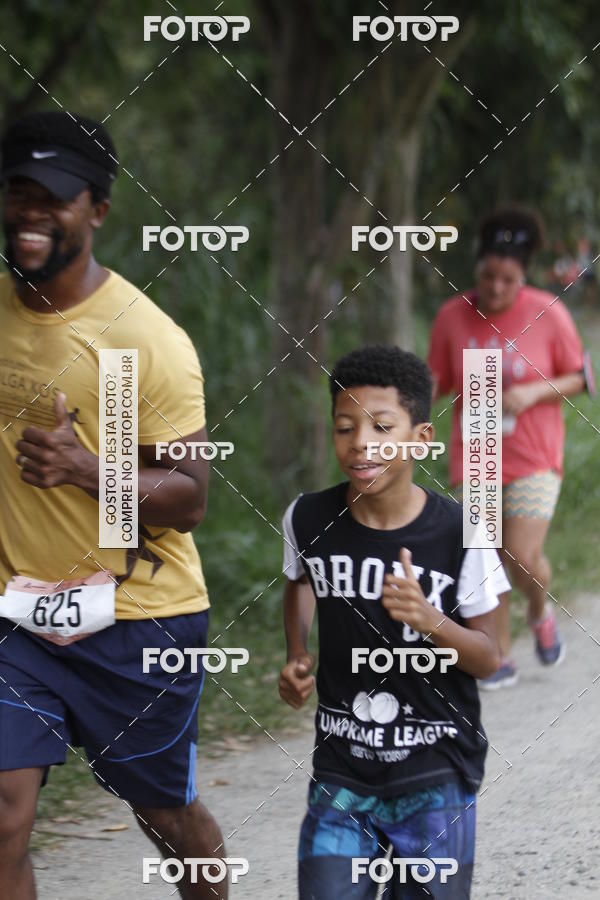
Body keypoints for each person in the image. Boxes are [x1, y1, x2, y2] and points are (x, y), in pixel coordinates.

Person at [0, 111, 227, 899]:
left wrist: (85, 467)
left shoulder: (145, 340)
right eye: (19, 192)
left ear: (96, 209)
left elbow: (191, 498)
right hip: (20, 614)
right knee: (4, 816)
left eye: (54, 197)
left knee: (165, 816)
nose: (32, 212)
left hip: (139, 618)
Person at [279, 345, 509, 899]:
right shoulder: (307, 516)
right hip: (342, 766)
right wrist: (296, 655)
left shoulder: (462, 532)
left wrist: (430, 620)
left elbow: (490, 655)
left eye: (383, 427)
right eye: (345, 427)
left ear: (422, 438)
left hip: (435, 768)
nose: (362, 442)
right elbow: (299, 582)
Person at [427, 207, 586, 689]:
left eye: (508, 278)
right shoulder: (452, 316)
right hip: (477, 452)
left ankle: (540, 611)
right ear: (476, 269)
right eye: (488, 276)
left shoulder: (547, 311)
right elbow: (432, 382)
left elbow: (582, 376)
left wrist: (533, 391)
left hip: (535, 455)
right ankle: (498, 656)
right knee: (484, 557)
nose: (495, 287)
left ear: (524, 276)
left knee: (519, 555)